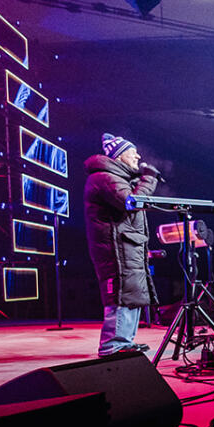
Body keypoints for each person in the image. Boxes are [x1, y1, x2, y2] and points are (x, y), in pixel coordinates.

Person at [83, 132, 160, 356]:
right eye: (132, 152)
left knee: (132, 292)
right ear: (119, 156)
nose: (138, 156)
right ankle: (112, 345)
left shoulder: (117, 178)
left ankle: (124, 342)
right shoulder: (104, 177)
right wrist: (148, 179)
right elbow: (131, 203)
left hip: (127, 246)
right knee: (121, 293)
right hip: (115, 248)